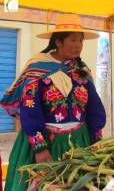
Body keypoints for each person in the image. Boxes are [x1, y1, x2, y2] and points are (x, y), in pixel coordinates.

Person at [0, 14, 106, 191]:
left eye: (81, 41)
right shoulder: (38, 69)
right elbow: (29, 107)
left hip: (79, 143)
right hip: (48, 143)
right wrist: (39, 146)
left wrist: (96, 135)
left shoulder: (81, 70)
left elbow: (94, 105)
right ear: (58, 41)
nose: (78, 45)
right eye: (73, 40)